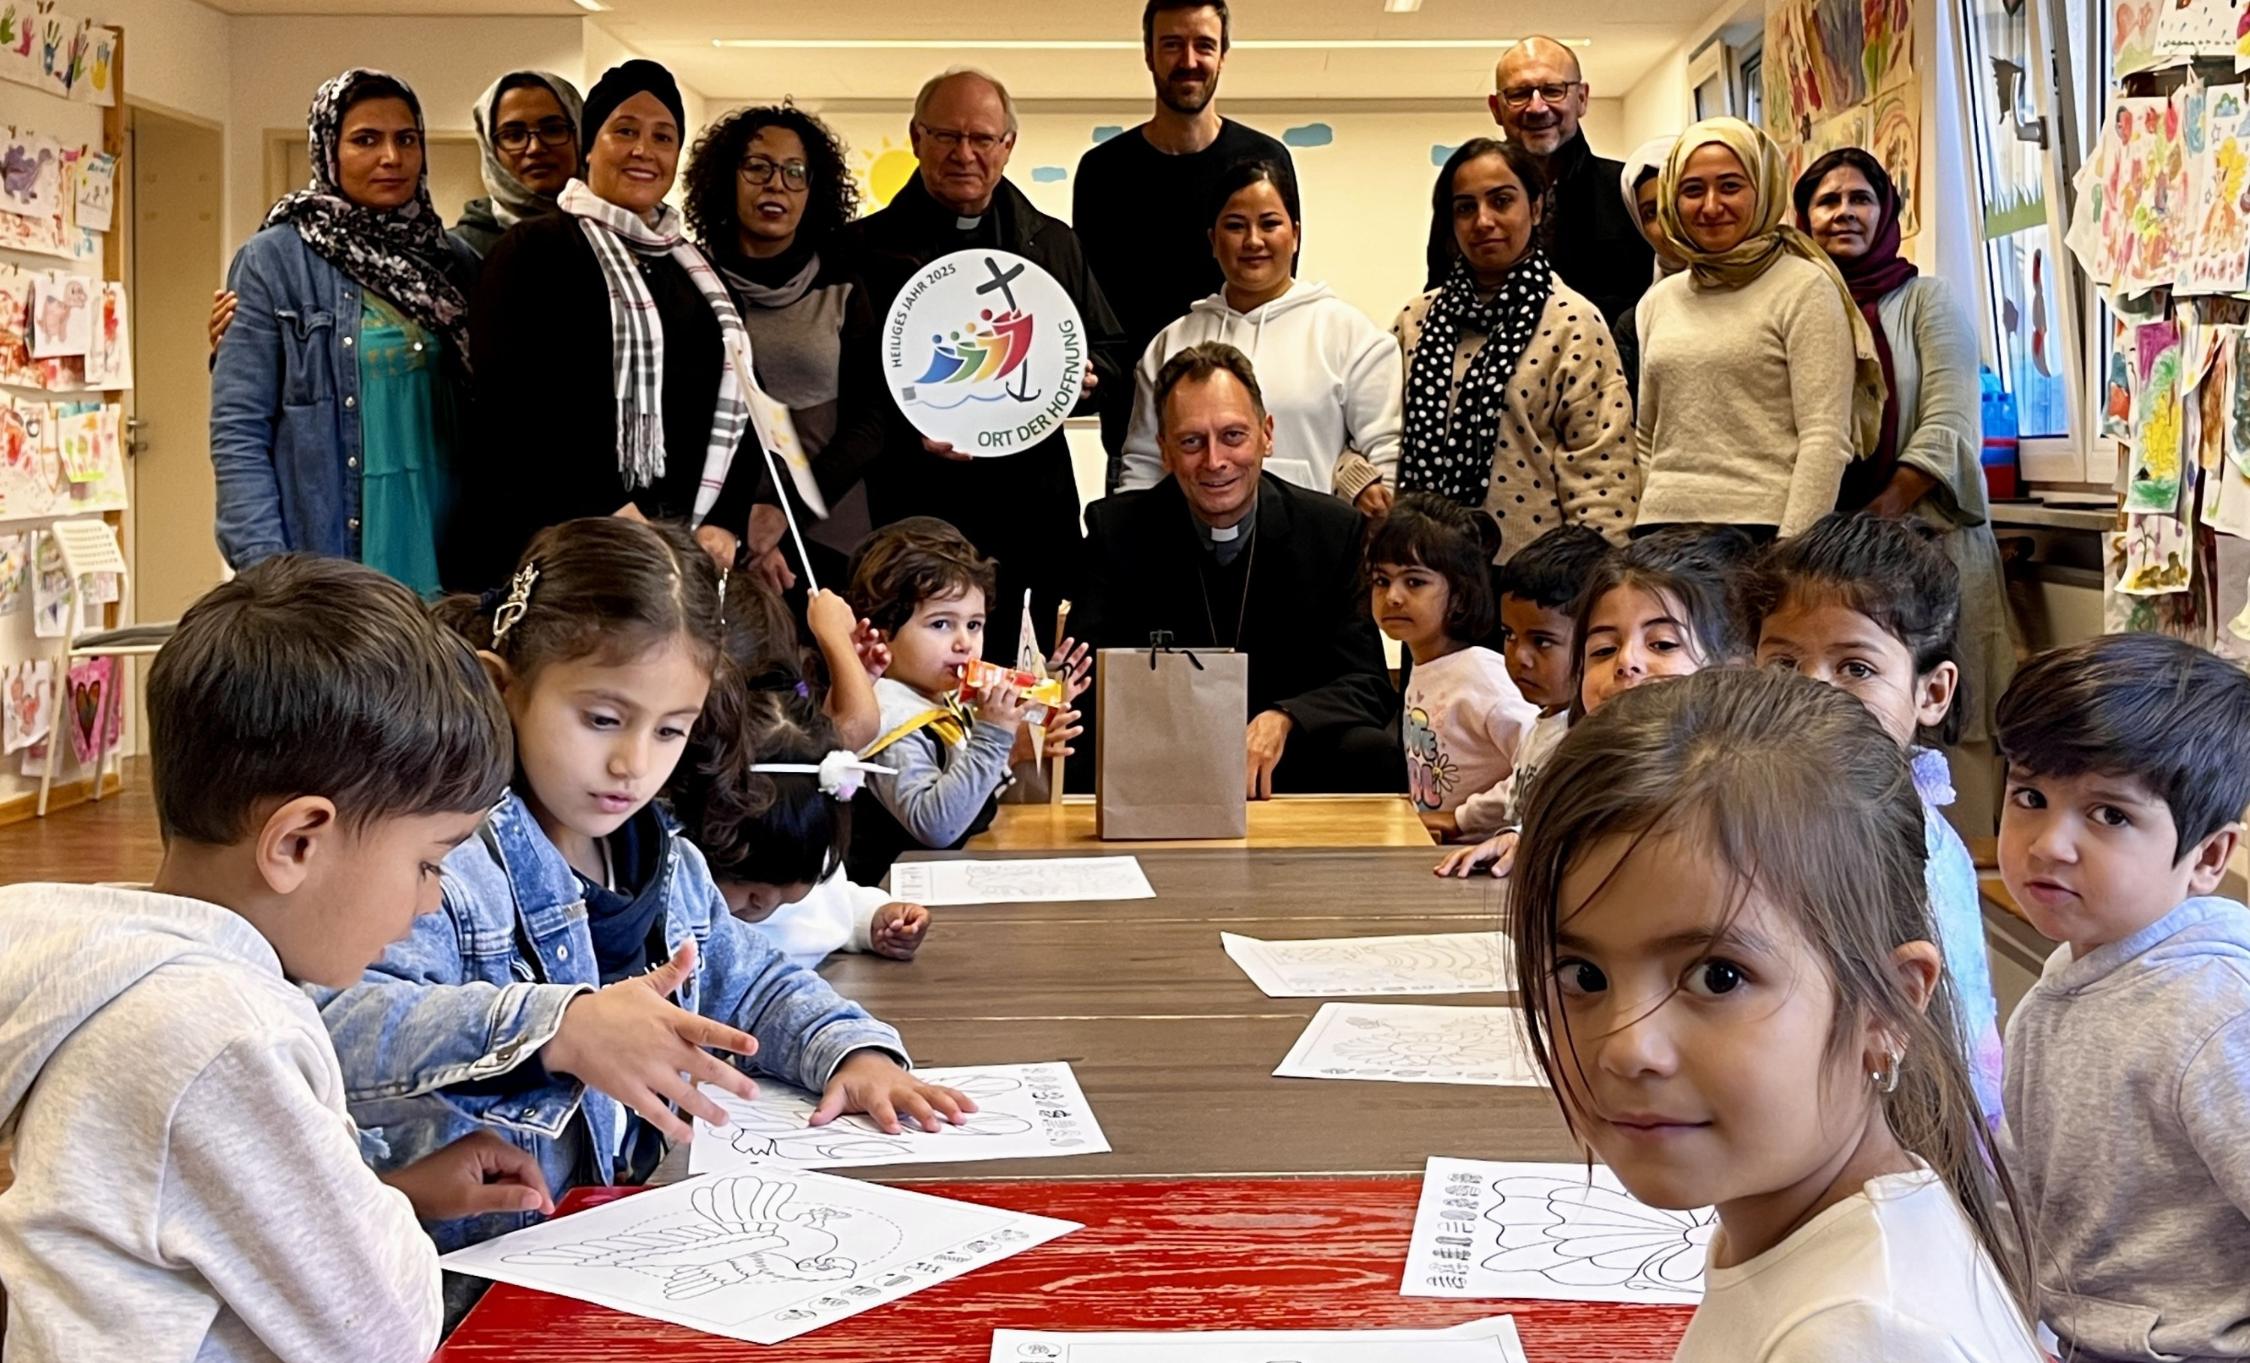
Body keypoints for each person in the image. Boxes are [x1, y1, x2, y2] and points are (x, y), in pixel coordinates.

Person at [317, 518, 973, 1255]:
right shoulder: (449, 865)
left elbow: (752, 982)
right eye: (602, 718)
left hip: (611, 1249)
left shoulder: (666, 860)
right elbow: (336, 1026)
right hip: (465, 1269)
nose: (633, 763)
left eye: (669, 731)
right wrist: (557, 1026)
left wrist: (851, 1053)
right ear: (504, 690)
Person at [0, 556, 552, 1363]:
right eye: (430, 862)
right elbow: (385, 1331)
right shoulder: (216, 1032)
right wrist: (382, 1218)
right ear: (297, 841)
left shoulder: (128, 973)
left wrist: (385, 1192)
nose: (430, 900)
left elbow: (181, 1222)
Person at [1508, 667, 2042, 1359]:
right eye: (1584, 974)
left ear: (1890, 1005)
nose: (1627, 1045)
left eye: (1718, 975)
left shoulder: (1862, 1334)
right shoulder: (1790, 1222)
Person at [1994, 633, 2250, 1363]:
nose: (2049, 843)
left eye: (2108, 814)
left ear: (2207, 857)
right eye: (2030, 797)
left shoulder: (2219, 1012)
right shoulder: (2069, 978)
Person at [848, 67, 1130, 665]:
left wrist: (1083, 379)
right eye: (947, 136)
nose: (964, 154)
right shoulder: (860, 250)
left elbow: (1110, 354)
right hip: (912, 508)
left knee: (1014, 684)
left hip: (1027, 515)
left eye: (982, 139)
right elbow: (846, 390)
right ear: (916, 137)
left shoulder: (1053, 246)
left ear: (1008, 146)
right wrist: (908, 429)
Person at [1739, 513, 2006, 1125]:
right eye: (1783, 664)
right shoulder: (1756, 806)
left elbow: (1956, 1038)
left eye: (1855, 668)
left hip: (1895, 1136)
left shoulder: (1916, 848)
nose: (1811, 692)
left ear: (1931, 693)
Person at [465, 60, 761, 586]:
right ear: (589, 147)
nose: (643, 150)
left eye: (663, 136)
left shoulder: (697, 272)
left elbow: (741, 400)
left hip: (684, 554)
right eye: (625, 131)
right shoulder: (532, 252)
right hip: (567, 546)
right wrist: (613, 513)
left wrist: (725, 521)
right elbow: (514, 408)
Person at [1076, 342, 1400, 798]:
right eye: (1191, 442)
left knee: (1370, 752)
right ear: (1165, 450)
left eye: (1233, 436)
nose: (1215, 462)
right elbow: (1091, 685)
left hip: (1284, 755)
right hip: (1160, 755)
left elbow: (1366, 682)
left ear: (1266, 434)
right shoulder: (1118, 531)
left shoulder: (1330, 530)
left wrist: (1284, 718)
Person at [211, 69, 477, 597]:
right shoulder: (275, 261)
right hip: (333, 551)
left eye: (407, 139)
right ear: (328, 149)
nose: (391, 158)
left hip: (455, 544)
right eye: (365, 140)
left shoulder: (455, 263)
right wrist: (265, 573)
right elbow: (239, 430)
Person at [1795, 147, 2016, 755]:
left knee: (1945, 722)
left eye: (1860, 198)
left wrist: (1880, 518)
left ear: (1886, 211)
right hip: (1824, 557)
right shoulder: (1794, 305)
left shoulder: (1927, 300)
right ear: (1802, 217)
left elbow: (1950, 422)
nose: (1844, 213)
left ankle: (1956, 848)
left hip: (1929, 539)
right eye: (1827, 201)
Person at [1437, 524, 1752, 878]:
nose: (1625, 662)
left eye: (1662, 644)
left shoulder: (1741, 795)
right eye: (1603, 649)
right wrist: (1525, 839)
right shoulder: (1588, 766)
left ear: (1732, 670)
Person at [1634, 117, 1885, 540]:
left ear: (1763, 189)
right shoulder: (1657, 301)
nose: (1711, 206)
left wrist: (1790, 549)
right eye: (1693, 190)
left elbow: (1825, 437)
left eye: (1730, 186)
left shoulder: (1804, 287)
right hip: (1661, 534)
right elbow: (1646, 436)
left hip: (1761, 535)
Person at [1075, 0, 1293, 470]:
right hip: (1139, 437)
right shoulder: (1103, 174)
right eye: (1172, 44)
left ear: (1223, 54)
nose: (1189, 60)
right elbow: (1092, 313)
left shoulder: (1263, 160)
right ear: (1149, 54)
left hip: (1236, 439)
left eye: (1204, 45)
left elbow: (1275, 301)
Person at [1395, 138, 1637, 557]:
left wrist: (1592, 583)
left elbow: (1603, 472)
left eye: (1501, 201)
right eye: (1465, 207)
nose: (1483, 220)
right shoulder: (1415, 321)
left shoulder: (1571, 322)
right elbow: (1380, 437)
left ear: (1537, 208)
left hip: (1533, 580)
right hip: (1428, 571)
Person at [1119, 159, 1401, 510]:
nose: (1253, 241)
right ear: (1213, 239)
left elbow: (1387, 457)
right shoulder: (1171, 344)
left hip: (1320, 552)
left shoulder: (1350, 335)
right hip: (1189, 553)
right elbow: (1144, 464)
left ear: (1295, 235)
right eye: (1236, 226)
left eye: (1269, 224)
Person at [684, 102, 890, 579]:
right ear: (726, 178)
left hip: (826, 529)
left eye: (795, 171)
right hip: (712, 534)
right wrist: (740, 523)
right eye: (757, 167)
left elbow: (869, 424)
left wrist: (782, 514)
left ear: (812, 189)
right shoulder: (692, 282)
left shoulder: (845, 287)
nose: (775, 184)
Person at [842, 517, 1088, 883]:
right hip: (888, 899)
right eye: (941, 624)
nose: (964, 643)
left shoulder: (940, 698)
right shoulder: (889, 715)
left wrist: (1034, 710)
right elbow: (937, 826)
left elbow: (968, 800)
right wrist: (995, 738)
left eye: (974, 624)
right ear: (883, 631)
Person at [672, 683, 932, 971]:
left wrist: (871, 919)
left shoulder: (805, 855)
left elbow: (831, 899)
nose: (766, 902)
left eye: (785, 888)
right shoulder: (678, 897)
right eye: (742, 882)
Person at [1439, 35, 1650, 330]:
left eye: (1553, 90)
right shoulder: (1468, 203)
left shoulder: (1628, 191)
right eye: (1519, 94)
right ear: (1496, 108)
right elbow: (1444, 302)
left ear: (1582, 99)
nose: (1537, 108)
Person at [1368, 493, 1539, 842]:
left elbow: (1543, 766)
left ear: (1459, 595)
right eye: (1382, 580)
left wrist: (1463, 818)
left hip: (1487, 863)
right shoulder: (1425, 665)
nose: (1393, 597)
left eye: (1414, 581)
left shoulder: (1483, 676)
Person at [453, 70, 583, 258]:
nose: (535, 148)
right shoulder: (462, 253)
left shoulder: (618, 233)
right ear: (490, 149)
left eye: (553, 130)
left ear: (580, 135)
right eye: (514, 136)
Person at [1611, 134, 1686, 410]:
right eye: (1651, 213)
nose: (1668, 220)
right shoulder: (1638, 324)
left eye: (1676, 200)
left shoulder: (1782, 288)